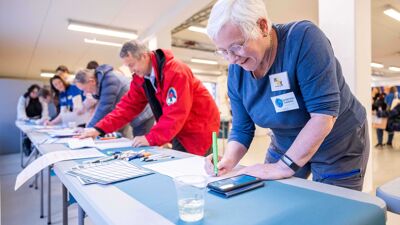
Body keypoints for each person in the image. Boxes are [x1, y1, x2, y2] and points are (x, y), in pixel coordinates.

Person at [204, 0, 369, 190]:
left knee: (334, 210)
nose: (232, 58)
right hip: (285, 141)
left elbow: (324, 116)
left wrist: (282, 167)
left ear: (262, 26)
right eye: (223, 51)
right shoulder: (236, 72)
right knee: (270, 196)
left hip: (337, 142)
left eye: (237, 46)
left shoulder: (303, 38)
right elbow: (242, 128)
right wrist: (228, 160)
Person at [79, 40, 220, 156]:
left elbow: (176, 112)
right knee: (179, 168)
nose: (131, 70)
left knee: (196, 171)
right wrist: (98, 129)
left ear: (144, 56)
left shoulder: (176, 71)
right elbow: (127, 107)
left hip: (200, 127)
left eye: (132, 64)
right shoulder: (141, 78)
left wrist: (151, 138)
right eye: (128, 66)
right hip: (180, 128)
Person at [74, 65, 155, 136]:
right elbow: (99, 109)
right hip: (132, 114)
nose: (84, 93)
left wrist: (89, 130)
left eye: (84, 89)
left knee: (143, 145)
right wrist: (87, 128)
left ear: (92, 81)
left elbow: (104, 109)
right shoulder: (102, 82)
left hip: (143, 115)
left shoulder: (109, 80)